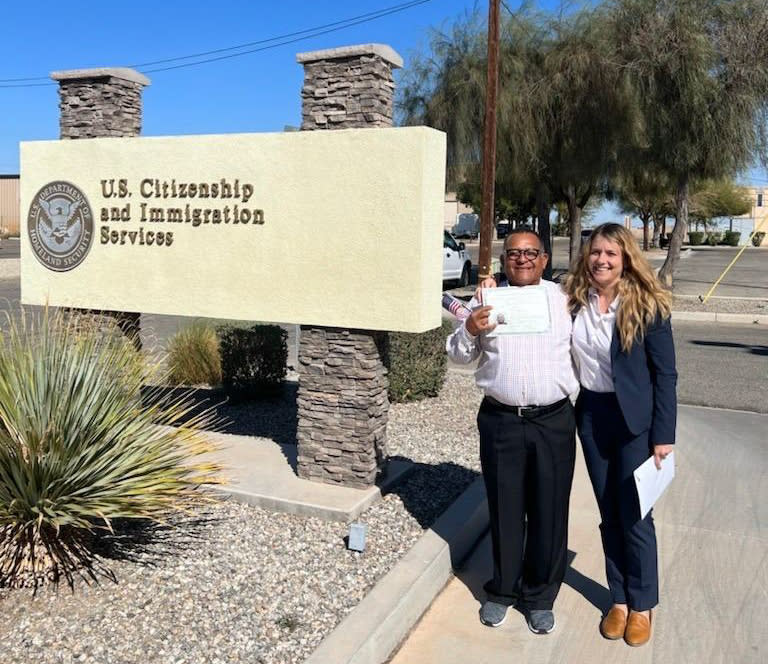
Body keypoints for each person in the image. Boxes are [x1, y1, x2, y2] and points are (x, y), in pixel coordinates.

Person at [446, 229, 578, 635]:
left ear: (543, 259)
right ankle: (502, 590)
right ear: (504, 260)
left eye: (530, 253)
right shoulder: (486, 299)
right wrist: (469, 327)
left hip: (552, 420)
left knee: (549, 511)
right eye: (513, 253)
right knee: (505, 507)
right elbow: (457, 353)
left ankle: (539, 596)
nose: (521, 259)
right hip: (501, 420)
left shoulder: (564, 299)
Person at [564, 222, 676, 647]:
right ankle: (619, 600)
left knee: (635, 514)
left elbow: (666, 375)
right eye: (595, 252)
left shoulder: (648, 305)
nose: (602, 260)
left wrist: (663, 434)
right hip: (592, 414)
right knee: (609, 512)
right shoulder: (575, 300)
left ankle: (643, 605)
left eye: (611, 253)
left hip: (635, 422)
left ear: (625, 257)